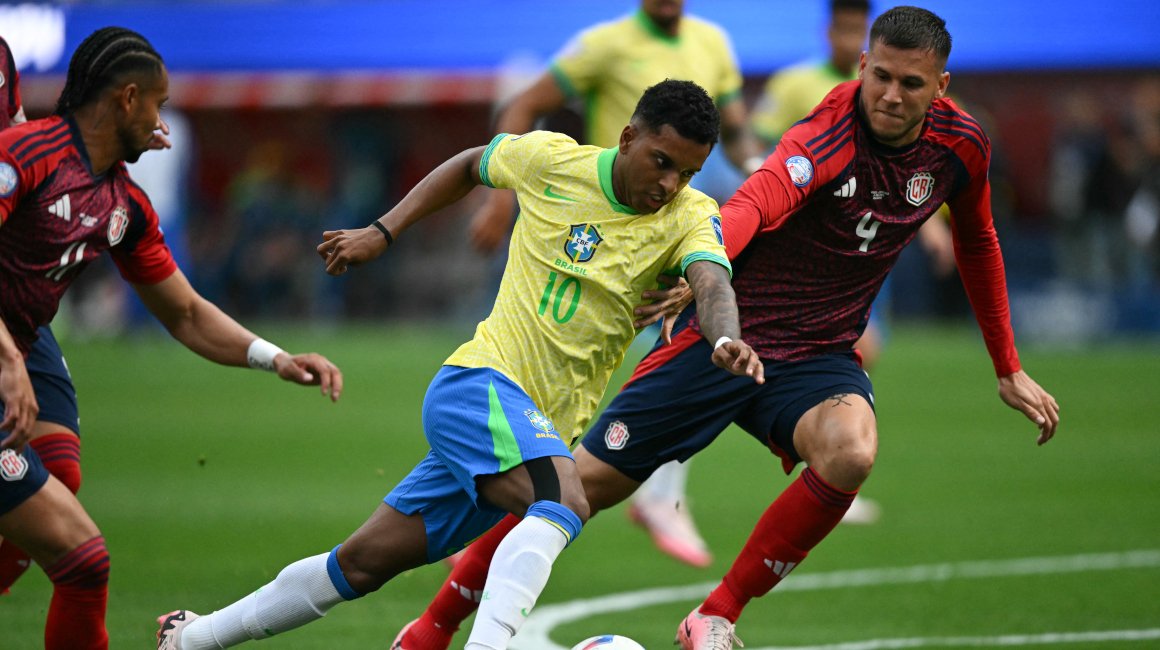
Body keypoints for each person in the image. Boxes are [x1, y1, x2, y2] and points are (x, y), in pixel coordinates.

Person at [390, 7, 1061, 650]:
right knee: (576, 489)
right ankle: (433, 627)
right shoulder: (825, 136)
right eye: (879, 76)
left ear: (940, 86)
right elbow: (754, 202)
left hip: (818, 353)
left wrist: (1007, 367)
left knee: (852, 452)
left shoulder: (962, 144)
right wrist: (704, 269)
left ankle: (714, 616)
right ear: (862, 65)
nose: (889, 95)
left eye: (909, 83)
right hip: (724, 334)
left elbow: (979, 241)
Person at [155, 79, 764, 650]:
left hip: (530, 431)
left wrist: (724, 339)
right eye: (661, 162)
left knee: (361, 564)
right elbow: (471, 164)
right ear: (628, 137)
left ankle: (190, 639)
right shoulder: (552, 161)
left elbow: (712, 281)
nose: (670, 184)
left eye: (687, 172)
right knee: (565, 502)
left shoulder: (690, 215)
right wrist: (382, 231)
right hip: (480, 387)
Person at [0, 27, 344, 650]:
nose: (163, 124)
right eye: (157, 105)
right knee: (81, 558)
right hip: (8, 353)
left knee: (61, 481)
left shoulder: (122, 203)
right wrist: (8, 364)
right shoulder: (26, 155)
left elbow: (184, 312)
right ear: (127, 99)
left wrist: (275, 358)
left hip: (20, 343)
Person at [470, 0, 765, 571]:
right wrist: (501, 195)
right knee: (537, 387)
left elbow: (734, 132)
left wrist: (759, 172)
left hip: (665, 240)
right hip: (589, 238)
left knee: (700, 350)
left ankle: (656, 495)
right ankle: (484, 524)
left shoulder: (713, 43)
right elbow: (524, 105)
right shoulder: (606, 44)